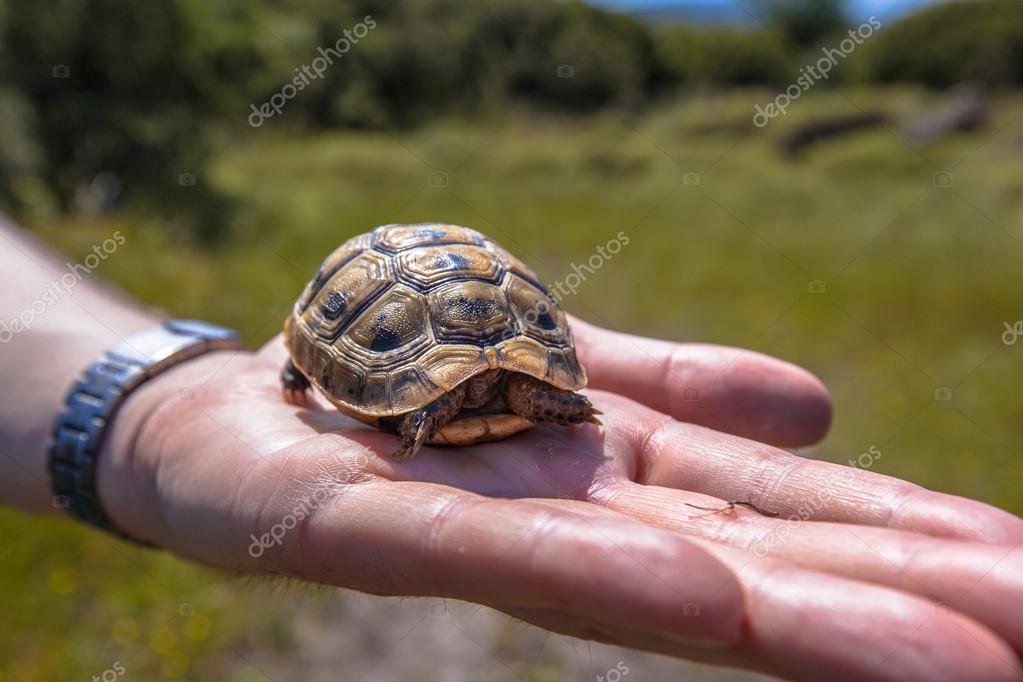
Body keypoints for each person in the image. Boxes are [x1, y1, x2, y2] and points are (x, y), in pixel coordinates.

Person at [1, 217, 1021, 682]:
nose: (494, 391)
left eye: (513, 386)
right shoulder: (402, 377)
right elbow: (426, 395)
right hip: (371, 304)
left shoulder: (532, 384)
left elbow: (550, 388)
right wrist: (151, 416)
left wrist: (556, 398)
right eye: (483, 387)